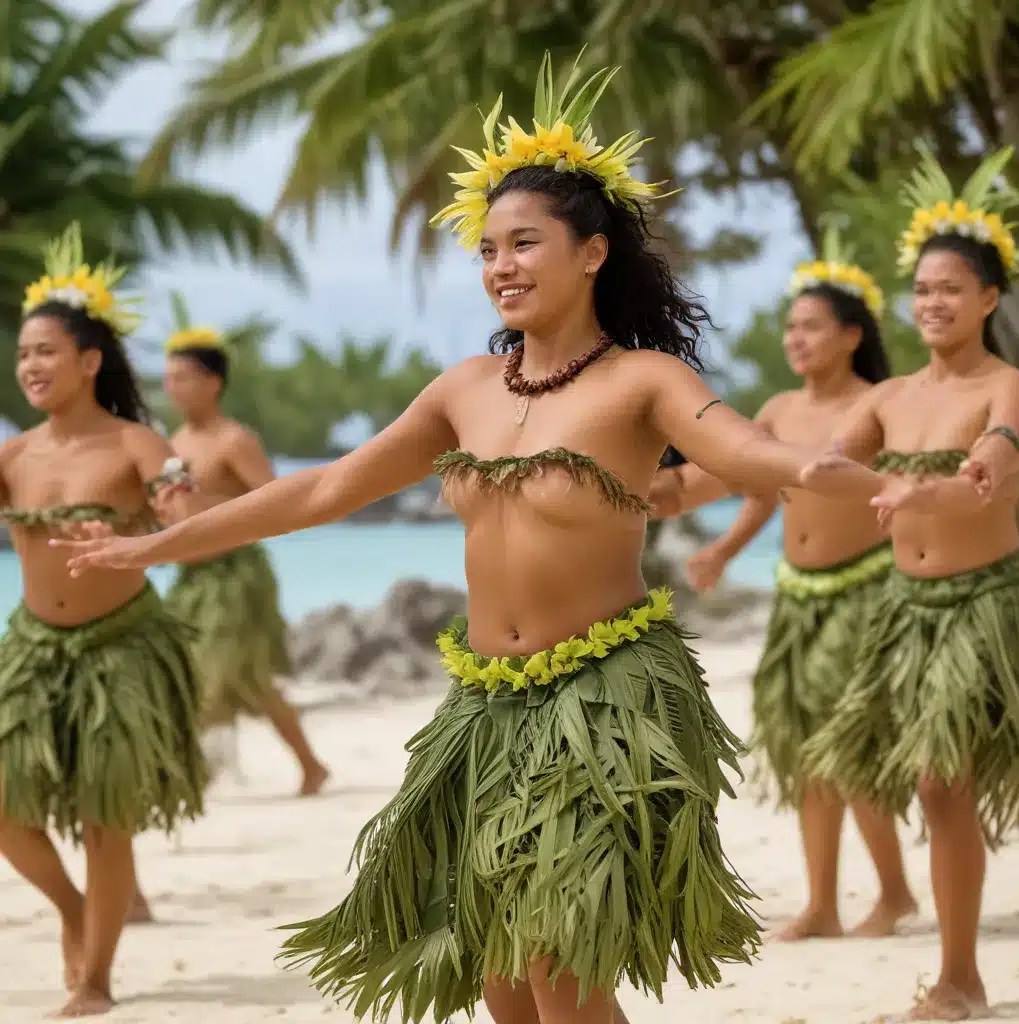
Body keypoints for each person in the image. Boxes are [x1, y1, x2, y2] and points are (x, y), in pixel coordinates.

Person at [54, 54, 882, 1024]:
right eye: (487, 249)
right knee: (500, 985)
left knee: (558, 971)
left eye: (524, 243)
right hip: (485, 708)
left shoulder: (641, 381)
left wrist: (814, 471)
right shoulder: (465, 389)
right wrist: (162, 545)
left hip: (602, 701)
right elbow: (324, 487)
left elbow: (738, 447)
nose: (500, 267)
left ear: (592, 252)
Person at [797, 145, 1019, 1021]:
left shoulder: (1006, 385)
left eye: (952, 290)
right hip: (904, 613)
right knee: (912, 780)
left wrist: (928, 488)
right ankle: (944, 955)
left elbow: (993, 475)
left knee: (940, 786)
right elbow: (817, 466)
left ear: (989, 300)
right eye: (923, 289)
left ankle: (961, 978)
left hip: (982, 609)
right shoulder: (888, 396)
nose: (933, 303)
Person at [651, 228, 917, 941]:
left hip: (865, 593)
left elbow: (908, 486)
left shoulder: (882, 399)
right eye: (790, 328)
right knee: (800, 748)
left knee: (844, 744)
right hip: (797, 595)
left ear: (852, 335)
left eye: (811, 327)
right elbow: (753, 487)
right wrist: (717, 545)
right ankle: (824, 904)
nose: (795, 340)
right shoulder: (777, 410)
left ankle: (892, 894)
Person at [0, 224, 207, 1017]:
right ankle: (71, 908)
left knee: (103, 818)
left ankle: (96, 980)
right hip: (30, 646)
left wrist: (134, 539)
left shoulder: (137, 443)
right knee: (9, 808)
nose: (31, 366)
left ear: (89, 361)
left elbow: (187, 515)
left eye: (46, 351)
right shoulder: (14, 455)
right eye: (23, 354)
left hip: (122, 649)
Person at [161, 320, 329, 796]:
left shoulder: (233, 440)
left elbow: (276, 501)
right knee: (242, 680)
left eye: (183, 377)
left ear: (212, 382)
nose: (173, 387)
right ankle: (310, 764)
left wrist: (225, 535)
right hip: (190, 578)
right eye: (168, 378)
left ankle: (188, 779)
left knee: (216, 673)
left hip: (235, 577)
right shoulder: (175, 441)